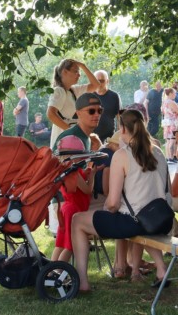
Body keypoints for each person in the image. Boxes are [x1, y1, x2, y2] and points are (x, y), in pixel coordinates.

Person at [71, 109, 172, 291]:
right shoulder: (158, 152)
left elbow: (113, 203)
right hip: (160, 220)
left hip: (133, 222)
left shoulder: (122, 155)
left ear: (123, 129)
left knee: (77, 220)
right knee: (140, 226)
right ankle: (161, 269)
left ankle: (82, 282)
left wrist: (104, 212)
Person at [50, 134, 98, 263]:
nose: (82, 159)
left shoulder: (66, 169)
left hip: (66, 209)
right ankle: (59, 270)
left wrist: (86, 173)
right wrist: (92, 175)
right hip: (73, 210)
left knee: (60, 244)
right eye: (80, 156)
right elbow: (87, 190)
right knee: (71, 246)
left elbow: (78, 184)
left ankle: (50, 270)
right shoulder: (73, 172)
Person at [47, 59, 99, 147]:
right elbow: (51, 114)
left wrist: (83, 66)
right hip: (62, 141)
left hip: (69, 140)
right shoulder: (59, 91)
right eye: (75, 71)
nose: (79, 75)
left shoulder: (73, 91)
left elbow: (96, 85)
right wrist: (73, 132)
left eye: (79, 72)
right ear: (65, 72)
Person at [93, 70, 121, 142]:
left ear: (107, 81)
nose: (99, 83)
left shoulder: (114, 96)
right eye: (97, 80)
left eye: (102, 81)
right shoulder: (89, 96)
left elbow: (119, 116)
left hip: (109, 138)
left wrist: (119, 135)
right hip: (92, 137)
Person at [162, 87, 178, 160]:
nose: (175, 95)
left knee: (168, 140)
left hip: (166, 122)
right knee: (173, 140)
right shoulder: (172, 102)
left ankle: (168, 157)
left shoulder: (164, 102)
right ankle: (172, 157)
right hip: (173, 122)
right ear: (170, 93)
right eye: (174, 93)